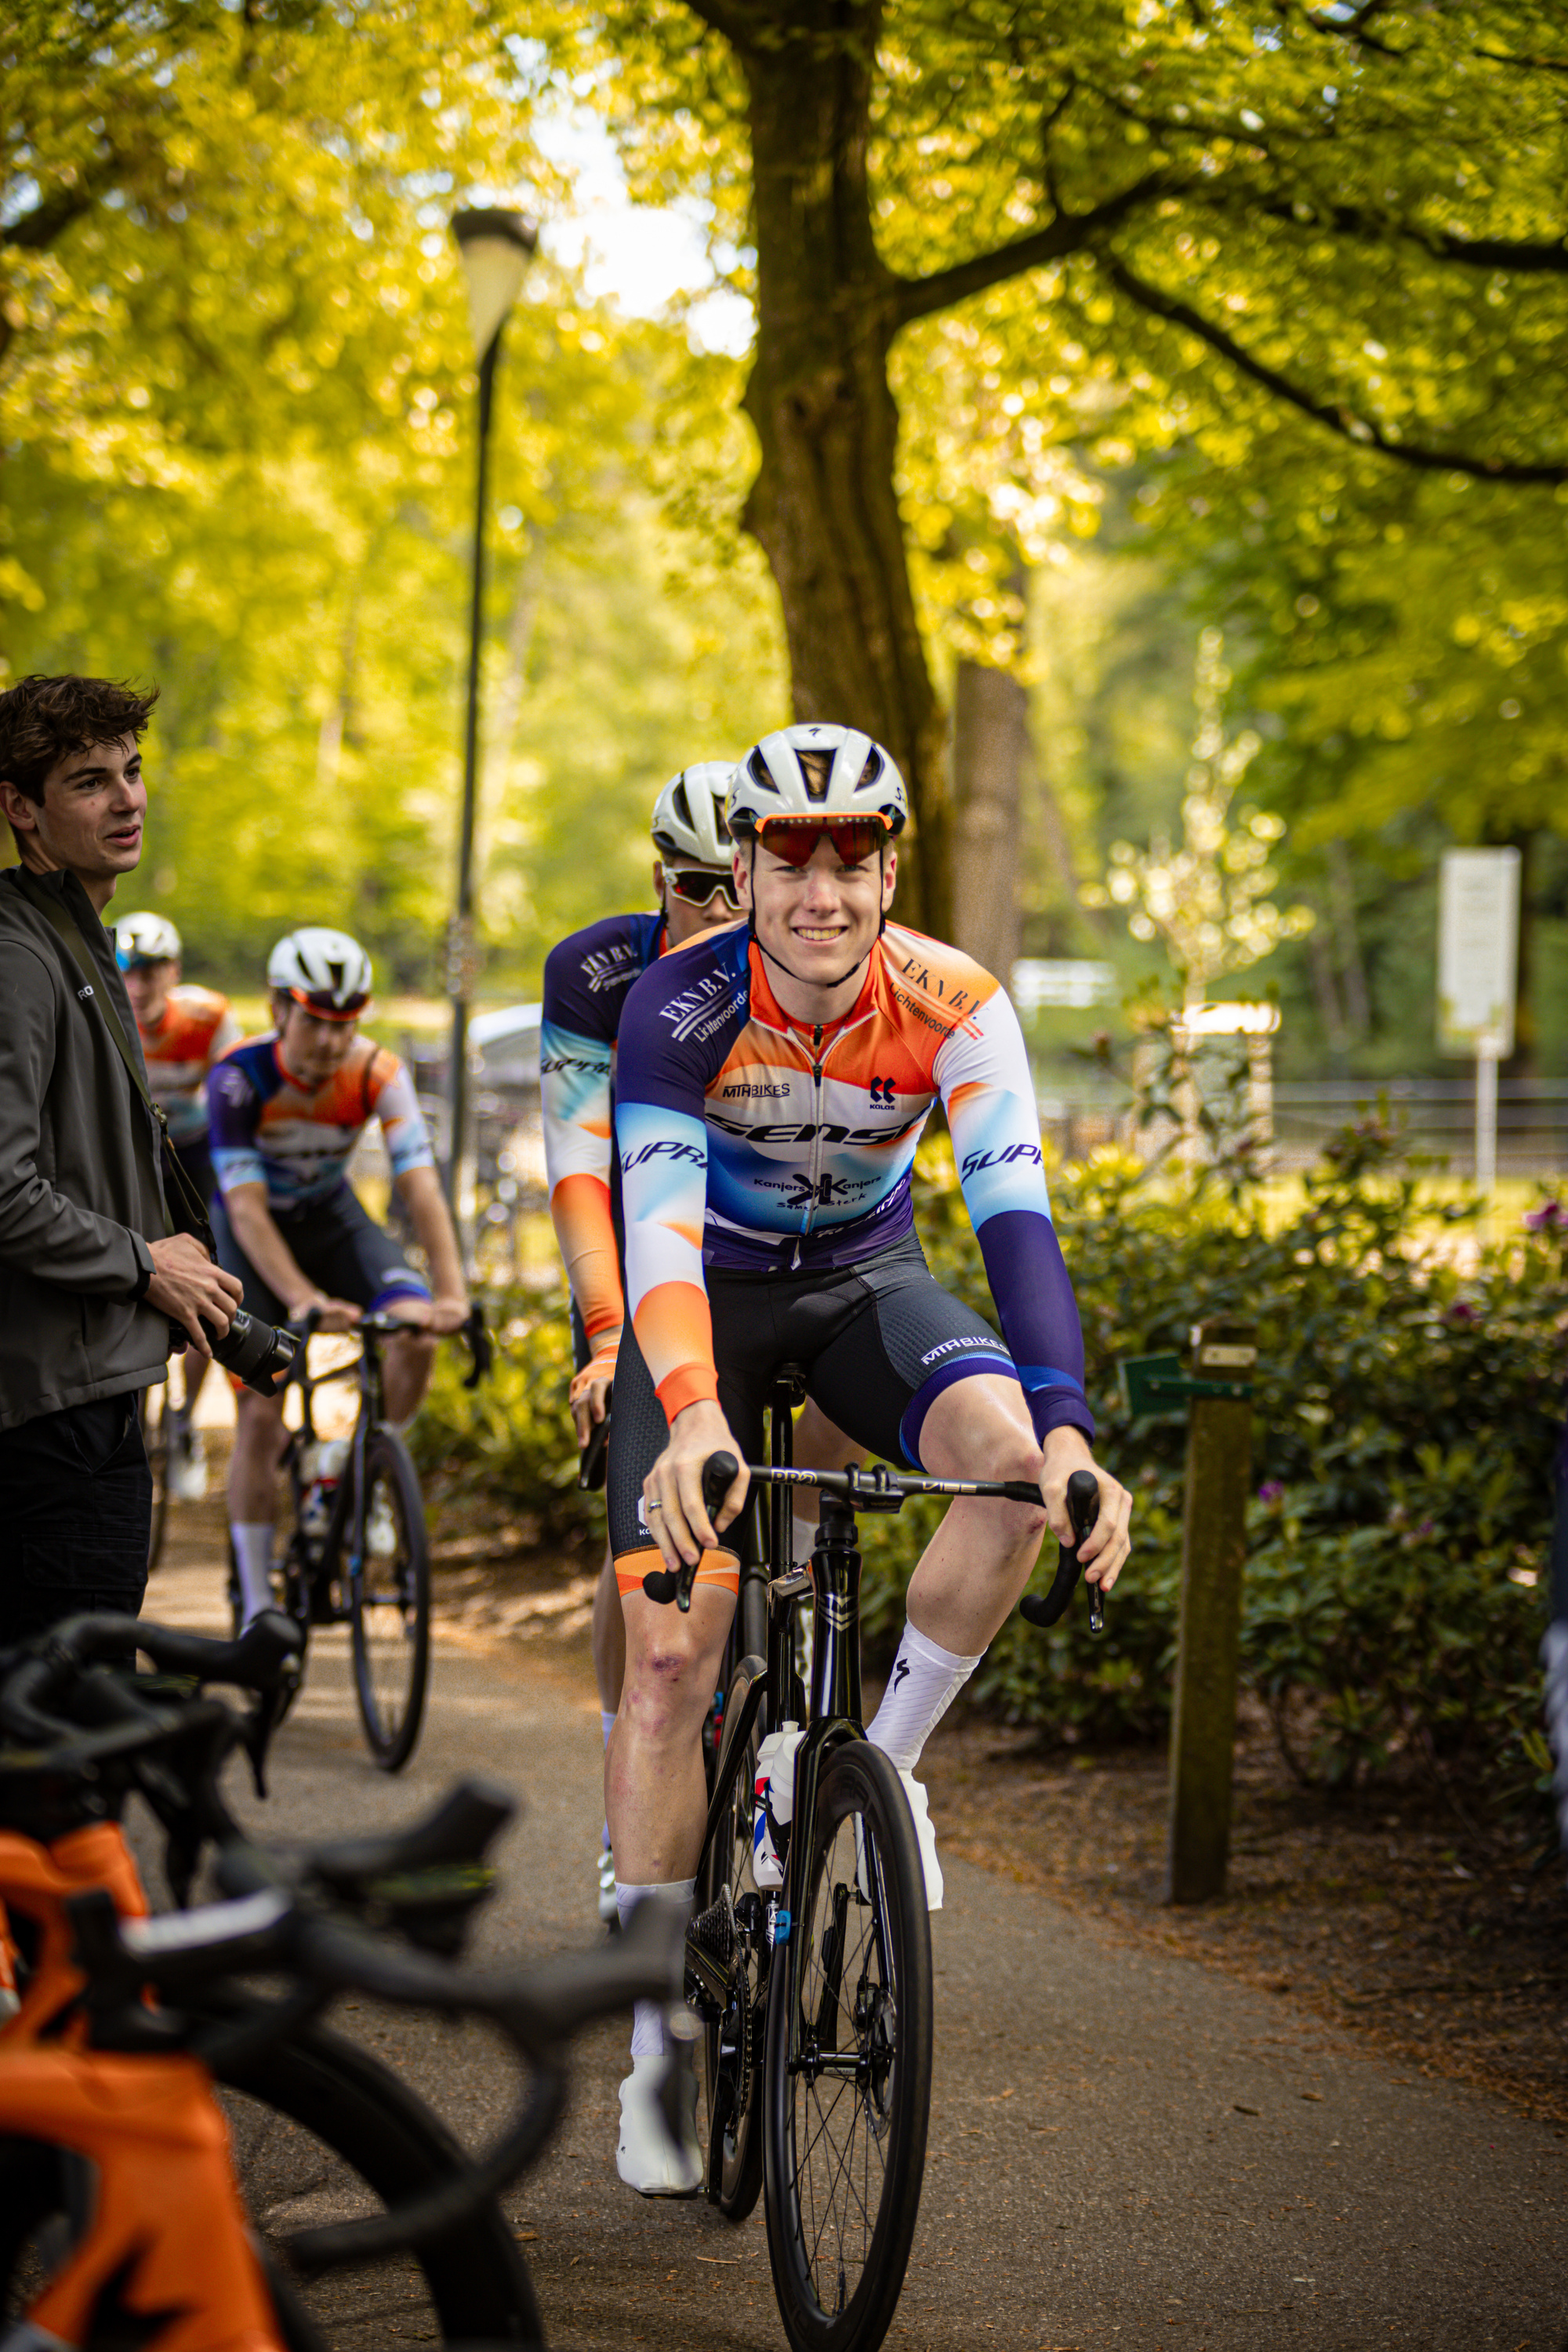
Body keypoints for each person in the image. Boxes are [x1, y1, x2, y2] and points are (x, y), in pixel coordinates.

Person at [604, 721, 1134, 2194]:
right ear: (749, 867)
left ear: (891, 866)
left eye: (852, 855)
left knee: (1018, 1475)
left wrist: (1073, 1429)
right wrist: (694, 1412)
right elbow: (654, 1227)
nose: (821, 887)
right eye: (789, 853)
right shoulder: (677, 1002)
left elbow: (1016, 1227)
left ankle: (877, 1780)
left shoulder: (958, 1002)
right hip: (700, 1307)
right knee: (666, 1657)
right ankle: (653, 2047)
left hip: (864, 1290)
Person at [540, 762, 859, 1929]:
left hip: (777, 1262)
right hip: (642, 1263)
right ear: (658, 879)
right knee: (652, 1549)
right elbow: (582, 1168)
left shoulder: (801, 965)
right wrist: (606, 1337)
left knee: (834, 1419)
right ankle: (636, 1766)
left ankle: (812, 1706)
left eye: (733, 886)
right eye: (689, 887)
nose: (718, 916)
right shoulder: (601, 973)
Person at [0, 674, 241, 1643]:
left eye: (133, 773)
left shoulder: (74, 934)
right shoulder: (21, 956)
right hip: (47, 1426)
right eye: (90, 781)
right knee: (75, 1743)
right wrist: (146, 1263)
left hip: (84, 1400)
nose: (128, 799)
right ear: (21, 807)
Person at [208, 926, 469, 1628]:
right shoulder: (238, 1077)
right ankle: (259, 1605)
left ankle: (370, 1462)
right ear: (278, 1011)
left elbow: (419, 1188)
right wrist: (302, 1300)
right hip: (252, 1233)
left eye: (346, 1022)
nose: (331, 1040)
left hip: (330, 1218)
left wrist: (452, 1292)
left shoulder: (377, 1072)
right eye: (317, 1020)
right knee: (261, 1411)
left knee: (414, 1328)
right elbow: (246, 1208)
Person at [115, 910, 241, 1501]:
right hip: (134, 1155)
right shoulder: (103, 1013)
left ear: (174, 972)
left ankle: (187, 1416)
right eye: (128, 971)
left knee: (208, 1282)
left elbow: (234, 1092)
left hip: (194, 1153)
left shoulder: (208, 1016)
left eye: (151, 971)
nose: (139, 986)